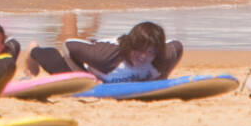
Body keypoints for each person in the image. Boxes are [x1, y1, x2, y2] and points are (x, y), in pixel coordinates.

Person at [28, 22, 182, 82]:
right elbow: (68, 45)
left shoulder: (161, 57)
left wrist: (163, 76)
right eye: (139, 51)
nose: (143, 57)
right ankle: (34, 49)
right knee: (59, 69)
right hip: (92, 60)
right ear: (131, 46)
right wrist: (85, 76)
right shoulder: (104, 57)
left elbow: (177, 46)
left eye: (149, 52)